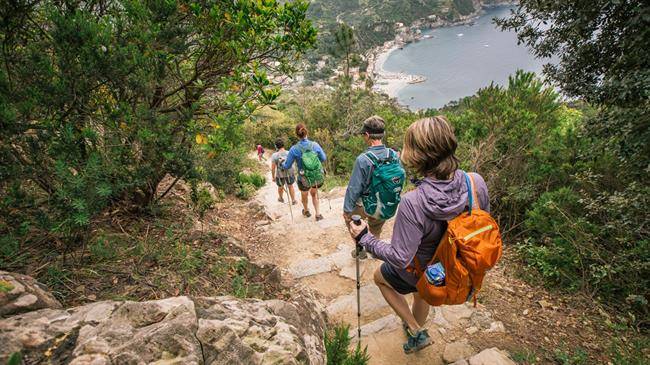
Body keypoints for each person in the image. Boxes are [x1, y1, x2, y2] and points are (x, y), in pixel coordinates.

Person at [347, 116, 490, 354]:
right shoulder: (475, 182)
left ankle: (414, 327)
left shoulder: (413, 202)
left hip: (423, 270)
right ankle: (415, 326)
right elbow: (479, 226)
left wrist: (365, 238)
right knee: (420, 290)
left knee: (379, 277)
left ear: (416, 154)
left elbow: (400, 257)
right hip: (456, 269)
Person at [343, 115, 400, 258]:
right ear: (383, 134)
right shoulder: (394, 155)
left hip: (365, 205)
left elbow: (354, 188)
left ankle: (360, 249)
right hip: (385, 202)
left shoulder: (363, 159)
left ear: (367, 135)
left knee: (352, 221)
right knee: (376, 227)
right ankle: (375, 249)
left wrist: (347, 210)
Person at [283, 123, 327, 221]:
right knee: (314, 193)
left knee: (304, 194)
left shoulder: (294, 149)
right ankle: (318, 214)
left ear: (297, 135)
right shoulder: (315, 145)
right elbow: (323, 158)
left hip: (303, 178)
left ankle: (306, 210)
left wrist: (282, 163)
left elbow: (287, 166)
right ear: (306, 132)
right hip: (316, 176)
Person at [271, 138, 297, 205]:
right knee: (290, 186)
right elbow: (293, 163)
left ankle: (281, 198)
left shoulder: (274, 155)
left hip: (280, 174)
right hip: (290, 173)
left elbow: (273, 168)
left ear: (276, 146)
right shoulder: (289, 153)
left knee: (280, 186)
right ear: (283, 145)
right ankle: (293, 200)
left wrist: (273, 177)